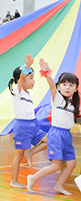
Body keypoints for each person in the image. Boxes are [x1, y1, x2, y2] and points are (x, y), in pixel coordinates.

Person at [27, 59, 79, 195]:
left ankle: (58, 186)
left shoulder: (73, 104)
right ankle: (33, 177)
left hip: (67, 135)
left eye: (71, 85)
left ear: (76, 88)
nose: (67, 87)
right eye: (64, 84)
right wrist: (46, 71)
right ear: (59, 86)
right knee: (56, 165)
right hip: (56, 134)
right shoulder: (57, 98)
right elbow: (50, 84)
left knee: (72, 163)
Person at [8, 55, 47, 189]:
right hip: (22, 126)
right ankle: (13, 181)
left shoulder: (28, 94)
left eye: (33, 77)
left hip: (32, 125)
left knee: (50, 140)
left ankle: (30, 152)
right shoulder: (17, 91)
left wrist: (28, 70)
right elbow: (22, 78)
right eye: (31, 78)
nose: (34, 80)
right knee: (18, 155)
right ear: (21, 80)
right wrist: (27, 67)